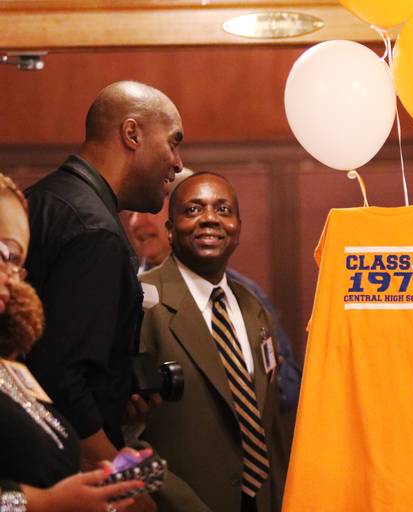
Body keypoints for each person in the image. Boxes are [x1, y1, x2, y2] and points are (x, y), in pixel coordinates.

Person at [23, 81, 183, 510]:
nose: (177, 163)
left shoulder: (41, 199)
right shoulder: (96, 231)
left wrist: (113, 391)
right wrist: (122, 480)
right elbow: (60, 377)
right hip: (62, 479)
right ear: (132, 134)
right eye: (173, 143)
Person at [139, 172, 288, 511]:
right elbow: (127, 437)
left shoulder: (252, 308)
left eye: (223, 210)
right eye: (193, 210)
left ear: (238, 227)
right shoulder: (143, 303)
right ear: (170, 228)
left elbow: (270, 422)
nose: (210, 219)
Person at [0, 172, 147, 512]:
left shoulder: (11, 368)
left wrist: (98, 482)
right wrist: (47, 503)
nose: (11, 273)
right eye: (2, 252)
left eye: (16, 261)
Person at [124, 168, 301, 414]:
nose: (136, 222)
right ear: (172, 225)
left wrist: (253, 376)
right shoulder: (131, 298)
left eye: (151, 209)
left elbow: (290, 387)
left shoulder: (248, 298)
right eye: (132, 211)